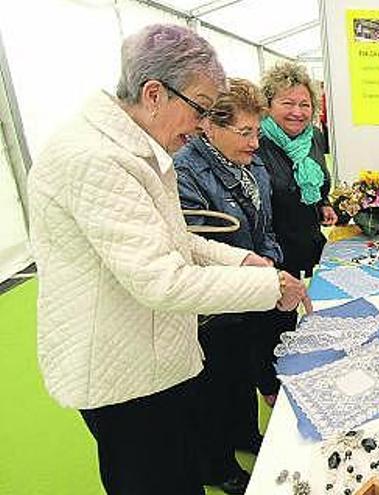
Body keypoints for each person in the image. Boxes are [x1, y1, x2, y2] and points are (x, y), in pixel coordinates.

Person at [27, 25, 306, 495]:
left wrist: (241, 264)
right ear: (154, 93)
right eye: (199, 108)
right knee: (155, 478)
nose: (200, 125)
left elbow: (176, 238)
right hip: (121, 372)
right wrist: (269, 288)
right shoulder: (97, 157)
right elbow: (162, 279)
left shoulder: (137, 146)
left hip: (153, 355)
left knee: (179, 469)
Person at [174, 78, 279, 493]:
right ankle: (218, 466)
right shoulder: (184, 171)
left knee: (241, 375)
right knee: (214, 385)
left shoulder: (248, 163)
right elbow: (198, 246)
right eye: (245, 132)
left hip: (249, 291)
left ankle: (244, 435)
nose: (255, 142)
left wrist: (269, 258)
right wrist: (253, 267)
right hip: (215, 303)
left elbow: (263, 224)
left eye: (257, 131)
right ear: (210, 128)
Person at [254, 61, 335, 402]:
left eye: (304, 104)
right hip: (273, 251)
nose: (298, 112)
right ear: (268, 105)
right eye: (288, 103)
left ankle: (299, 370)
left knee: (303, 314)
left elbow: (315, 184)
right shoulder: (257, 142)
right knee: (273, 323)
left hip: (306, 242)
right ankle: (272, 389)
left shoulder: (312, 137)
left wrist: (324, 204)